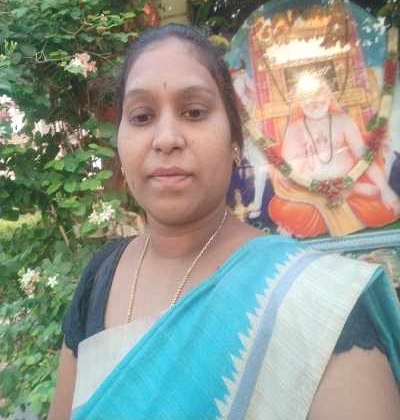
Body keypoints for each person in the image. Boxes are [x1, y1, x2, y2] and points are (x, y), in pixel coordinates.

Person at [48, 24, 400, 420]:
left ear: (235, 138)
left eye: (194, 112)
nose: (166, 138)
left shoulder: (312, 301)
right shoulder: (100, 277)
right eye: (142, 116)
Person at [269, 74, 400, 238]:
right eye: (306, 97)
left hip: (347, 186)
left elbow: (365, 159)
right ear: (299, 103)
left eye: (318, 94)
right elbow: (287, 172)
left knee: (382, 208)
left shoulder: (343, 122)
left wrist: (386, 190)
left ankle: (353, 191)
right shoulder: (294, 129)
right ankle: (350, 194)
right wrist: (308, 160)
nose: (313, 102)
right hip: (310, 193)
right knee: (287, 211)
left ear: (328, 96)